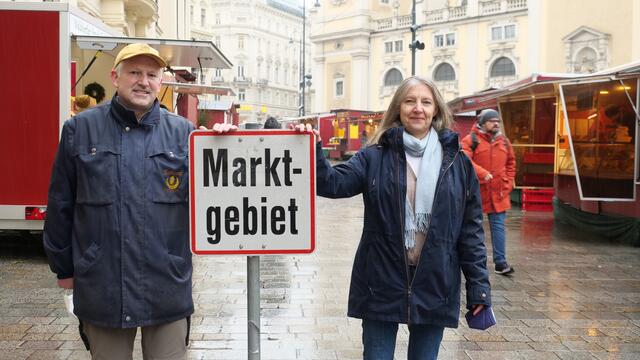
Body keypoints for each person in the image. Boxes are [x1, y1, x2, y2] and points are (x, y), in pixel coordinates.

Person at [43, 43, 234, 360]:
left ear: (161, 81)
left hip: (167, 283)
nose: (143, 81)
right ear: (115, 77)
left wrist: (224, 147)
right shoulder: (80, 130)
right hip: (102, 284)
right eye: (134, 73)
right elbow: (61, 204)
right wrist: (64, 269)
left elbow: (217, 198)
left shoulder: (184, 134)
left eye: (151, 74)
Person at [294, 76, 491, 360]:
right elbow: (332, 184)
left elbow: (470, 234)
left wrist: (479, 290)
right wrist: (311, 146)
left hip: (435, 281)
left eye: (425, 102)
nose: (418, 108)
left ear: (436, 109)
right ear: (398, 108)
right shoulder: (374, 156)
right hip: (380, 280)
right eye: (409, 101)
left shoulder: (458, 163)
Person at [461, 109, 516, 275]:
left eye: (497, 121)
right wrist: (482, 173)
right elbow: (464, 159)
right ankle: (470, 261)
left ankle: (501, 262)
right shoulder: (471, 140)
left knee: (498, 227)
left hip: (499, 193)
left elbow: (511, 163)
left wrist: (508, 183)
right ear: (483, 123)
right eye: (492, 121)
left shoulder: (504, 141)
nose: (496, 124)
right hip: (476, 192)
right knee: (472, 228)